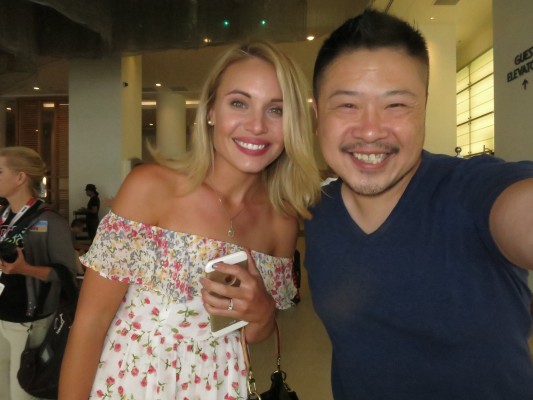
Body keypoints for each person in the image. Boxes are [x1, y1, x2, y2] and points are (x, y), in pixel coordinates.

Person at [59, 40, 321, 399]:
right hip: (134, 384)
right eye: (239, 103)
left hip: (220, 387)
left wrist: (262, 314)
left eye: (276, 110)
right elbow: (90, 323)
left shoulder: (281, 221)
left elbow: (251, 335)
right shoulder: (152, 188)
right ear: (211, 111)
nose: (256, 125)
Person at [304, 9, 533, 400]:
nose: (371, 130)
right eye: (347, 106)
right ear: (316, 117)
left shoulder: (470, 189)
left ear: (424, 107)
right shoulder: (316, 212)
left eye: (396, 105)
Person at [0, 146, 77, 400]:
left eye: (0, 171)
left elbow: (66, 274)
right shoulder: (3, 216)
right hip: (2, 316)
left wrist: (26, 269)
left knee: (22, 393)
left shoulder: (50, 221)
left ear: (20, 177)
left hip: (30, 322)